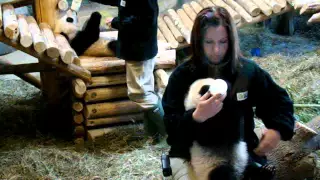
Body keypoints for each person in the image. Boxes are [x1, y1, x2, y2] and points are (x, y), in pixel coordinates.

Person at [162, 6, 296, 180]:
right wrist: (195, 117)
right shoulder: (182, 76)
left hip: (240, 149)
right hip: (192, 155)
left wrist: (278, 129)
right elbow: (171, 129)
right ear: (198, 41)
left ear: (231, 41)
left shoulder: (247, 71)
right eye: (209, 42)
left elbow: (279, 101)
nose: (216, 50)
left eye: (223, 42)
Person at [89, 0, 166, 142]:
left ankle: (168, 135)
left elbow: (140, 21)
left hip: (139, 51)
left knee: (140, 94)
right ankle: (153, 136)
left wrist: (115, 22)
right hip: (142, 49)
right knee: (146, 92)